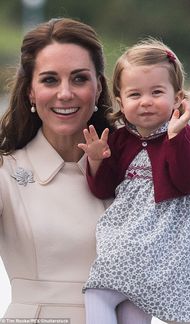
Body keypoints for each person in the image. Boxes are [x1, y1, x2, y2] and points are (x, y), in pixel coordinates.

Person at [0, 18, 152, 324]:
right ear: (30, 91)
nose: (65, 93)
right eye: (50, 80)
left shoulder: (135, 171)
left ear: (98, 87)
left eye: (79, 79)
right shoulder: (5, 172)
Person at [78, 38, 190, 324]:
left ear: (177, 98)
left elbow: (189, 181)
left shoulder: (186, 136)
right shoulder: (120, 140)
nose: (146, 101)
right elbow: (102, 189)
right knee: (115, 300)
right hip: (128, 241)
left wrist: (175, 138)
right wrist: (96, 160)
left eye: (157, 92)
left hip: (166, 244)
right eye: (135, 94)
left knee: (108, 295)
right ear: (121, 101)